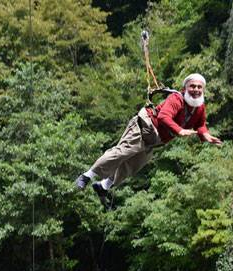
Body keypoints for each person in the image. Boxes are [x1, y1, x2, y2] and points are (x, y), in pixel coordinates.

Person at [75, 73, 222, 205]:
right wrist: (179, 130)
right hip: (145, 126)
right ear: (185, 88)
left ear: (203, 90)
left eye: (199, 87)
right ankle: (87, 176)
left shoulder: (200, 107)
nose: (196, 90)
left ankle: (103, 186)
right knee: (122, 152)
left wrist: (206, 135)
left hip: (156, 139)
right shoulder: (177, 98)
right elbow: (164, 116)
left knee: (132, 166)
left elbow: (200, 124)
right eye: (192, 86)